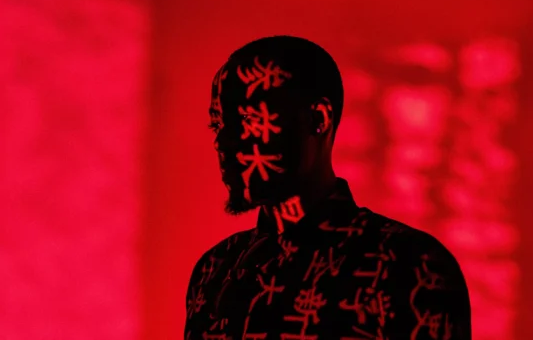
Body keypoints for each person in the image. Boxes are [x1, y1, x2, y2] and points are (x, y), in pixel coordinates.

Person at [185, 36, 472, 339]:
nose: (222, 142)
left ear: (318, 119)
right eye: (218, 125)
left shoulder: (411, 266)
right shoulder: (214, 269)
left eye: (248, 119)